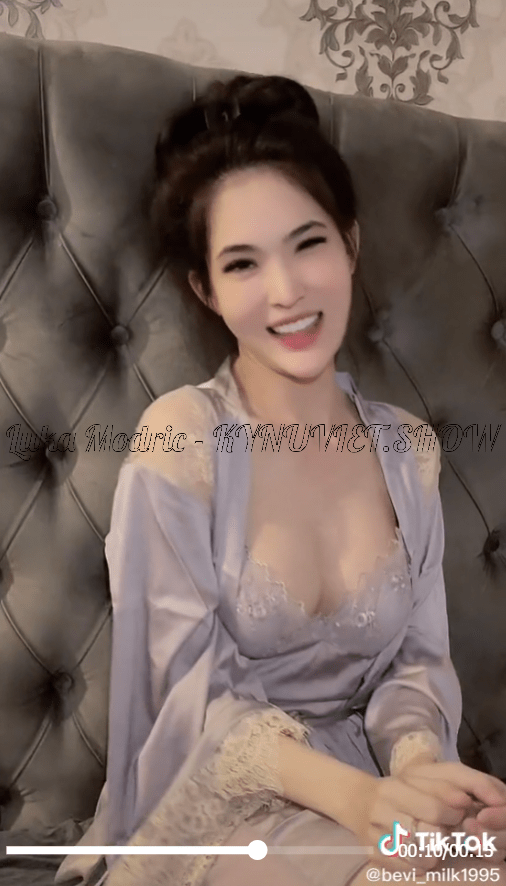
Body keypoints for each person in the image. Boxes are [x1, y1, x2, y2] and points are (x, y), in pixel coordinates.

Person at [54, 73, 506, 886]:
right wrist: (361, 803)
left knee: (477, 865)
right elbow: (185, 697)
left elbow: (415, 663)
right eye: (243, 263)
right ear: (207, 289)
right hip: (217, 803)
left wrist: (416, 773)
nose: (288, 290)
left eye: (308, 244)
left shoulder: (407, 451)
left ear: (350, 245)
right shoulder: (181, 441)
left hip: (367, 792)